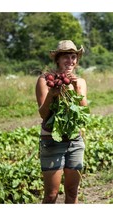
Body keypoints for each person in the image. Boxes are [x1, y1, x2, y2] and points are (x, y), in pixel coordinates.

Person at [35, 40, 87, 203]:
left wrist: (75, 87)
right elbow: (44, 114)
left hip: (75, 141)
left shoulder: (80, 82)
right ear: (57, 59)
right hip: (51, 140)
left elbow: (83, 112)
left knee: (72, 192)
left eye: (73, 57)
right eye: (66, 57)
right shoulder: (45, 80)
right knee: (51, 194)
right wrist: (52, 94)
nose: (70, 61)